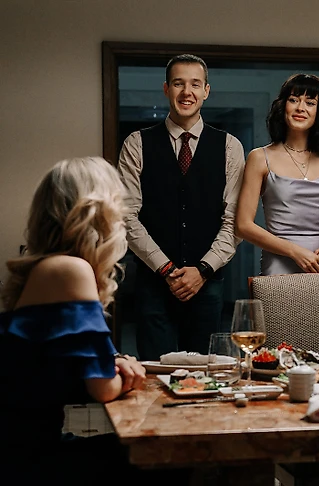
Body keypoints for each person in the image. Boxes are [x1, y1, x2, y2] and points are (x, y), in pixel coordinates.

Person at [0, 157, 149, 482]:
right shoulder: (70, 270)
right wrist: (128, 369)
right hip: (25, 459)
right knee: (163, 462)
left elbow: (67, 361)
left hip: (24, 446)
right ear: (100, 212)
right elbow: (103, 389)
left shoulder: (45, 267)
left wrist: (111, 362)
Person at [118, 54, 245, 361]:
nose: (187, 92)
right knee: (155, 371)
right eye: (178, 83)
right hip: (152, 284)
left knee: (204, 375)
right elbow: (126, 216)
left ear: (206, 91)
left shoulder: (230, 146)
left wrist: (202, 270)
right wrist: (166, 269)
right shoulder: (136, 143)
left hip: (208, 284)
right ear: (166, 89)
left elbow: (235, 221)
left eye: (195, 84)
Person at [235, 74, 319, 275]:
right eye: (293, 100)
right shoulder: (259, 157)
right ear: (283, 106)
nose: (301, 108)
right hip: (279, 265)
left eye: (310, 103)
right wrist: (294, 251)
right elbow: (243, 225)